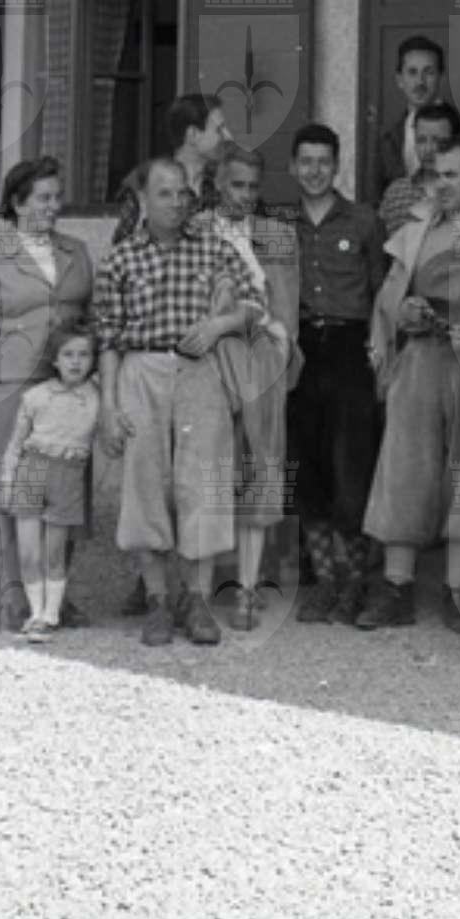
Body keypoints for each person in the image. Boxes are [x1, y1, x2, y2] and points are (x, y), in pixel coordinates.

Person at [92, 158, 266, 647]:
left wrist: (218, 325)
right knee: (145, 484)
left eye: (182, 193)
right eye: (164, 193)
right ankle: (157, 600)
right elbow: (108, 338)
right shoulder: (120, 260)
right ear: (143, 200)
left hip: (200, 372)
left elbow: (255, 305)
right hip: (141, 372)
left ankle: (197, 600)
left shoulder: (213, 247)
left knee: (203, 485)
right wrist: (108, 406)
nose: (175, 203)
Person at [358, 136, 460, 634]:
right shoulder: (419, 226)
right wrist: (402, 311)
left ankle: (458, 589)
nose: (440, 185)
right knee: (404, 465)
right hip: (422, 352)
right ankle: (396, 586)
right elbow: (389, 294)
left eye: (451, 174)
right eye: (435, 175)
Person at [0, 155, 96, 631]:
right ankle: (13, 595)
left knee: (63, 489)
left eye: (57, 197)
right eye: (43, 198)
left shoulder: (77, 252)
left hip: (65, 387)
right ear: (17, 202)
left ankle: (54, 596)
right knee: (12, 491)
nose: (53, 206)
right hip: (6, 387)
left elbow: (89, 320)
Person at [278, 122, 389, 624]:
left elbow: (382, 292)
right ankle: (325, 581)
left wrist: (380, 351)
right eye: (306, 161)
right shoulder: (280, 225)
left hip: (349, 349)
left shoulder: (364, 221)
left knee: (351, 468)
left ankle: (356, 583)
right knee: (308, 469)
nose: (315, 171)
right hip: (300, 350)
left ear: (337, 165)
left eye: (324, 162)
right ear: (292, 166)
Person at [193, 144, 299, 632]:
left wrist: (281, 354)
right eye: (237, 185)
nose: (246, 195)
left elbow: (287, 309)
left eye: (254, 187)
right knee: (211, 467)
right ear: (217, 184)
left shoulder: (277, 236)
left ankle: (249, 587)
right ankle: (198, 589)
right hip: (211, 357)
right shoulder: (195, 230)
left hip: (261, 358)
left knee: (261, 469)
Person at [0, 325, 99, 641]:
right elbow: (16, 444)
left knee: (55, 553)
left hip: (68, 474)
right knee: (29, 553)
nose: (76, 362)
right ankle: (35, 613)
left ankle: (50, 615)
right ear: (55, 360)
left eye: (84, 355)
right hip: (32, 470)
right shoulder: (36, 396)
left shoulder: (97, 397)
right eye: (68, 355)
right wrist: (8, 481)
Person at [111, 91, 231, 242]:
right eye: (219, 129)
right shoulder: (145, 179)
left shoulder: (224, 182)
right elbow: (123, 244)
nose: (228, 136)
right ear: (192, 134)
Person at [371, 35, 446, 204]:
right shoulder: (387, 138)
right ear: (399, 80)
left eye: (429, 72)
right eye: (412, 72)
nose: (420, 82)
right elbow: (375, 201)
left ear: (441, 78)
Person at [378, 101, 460, 236]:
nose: (428, 149)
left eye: (439, 141)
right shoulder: (396, 193)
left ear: (456, 143)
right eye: (421, 140)